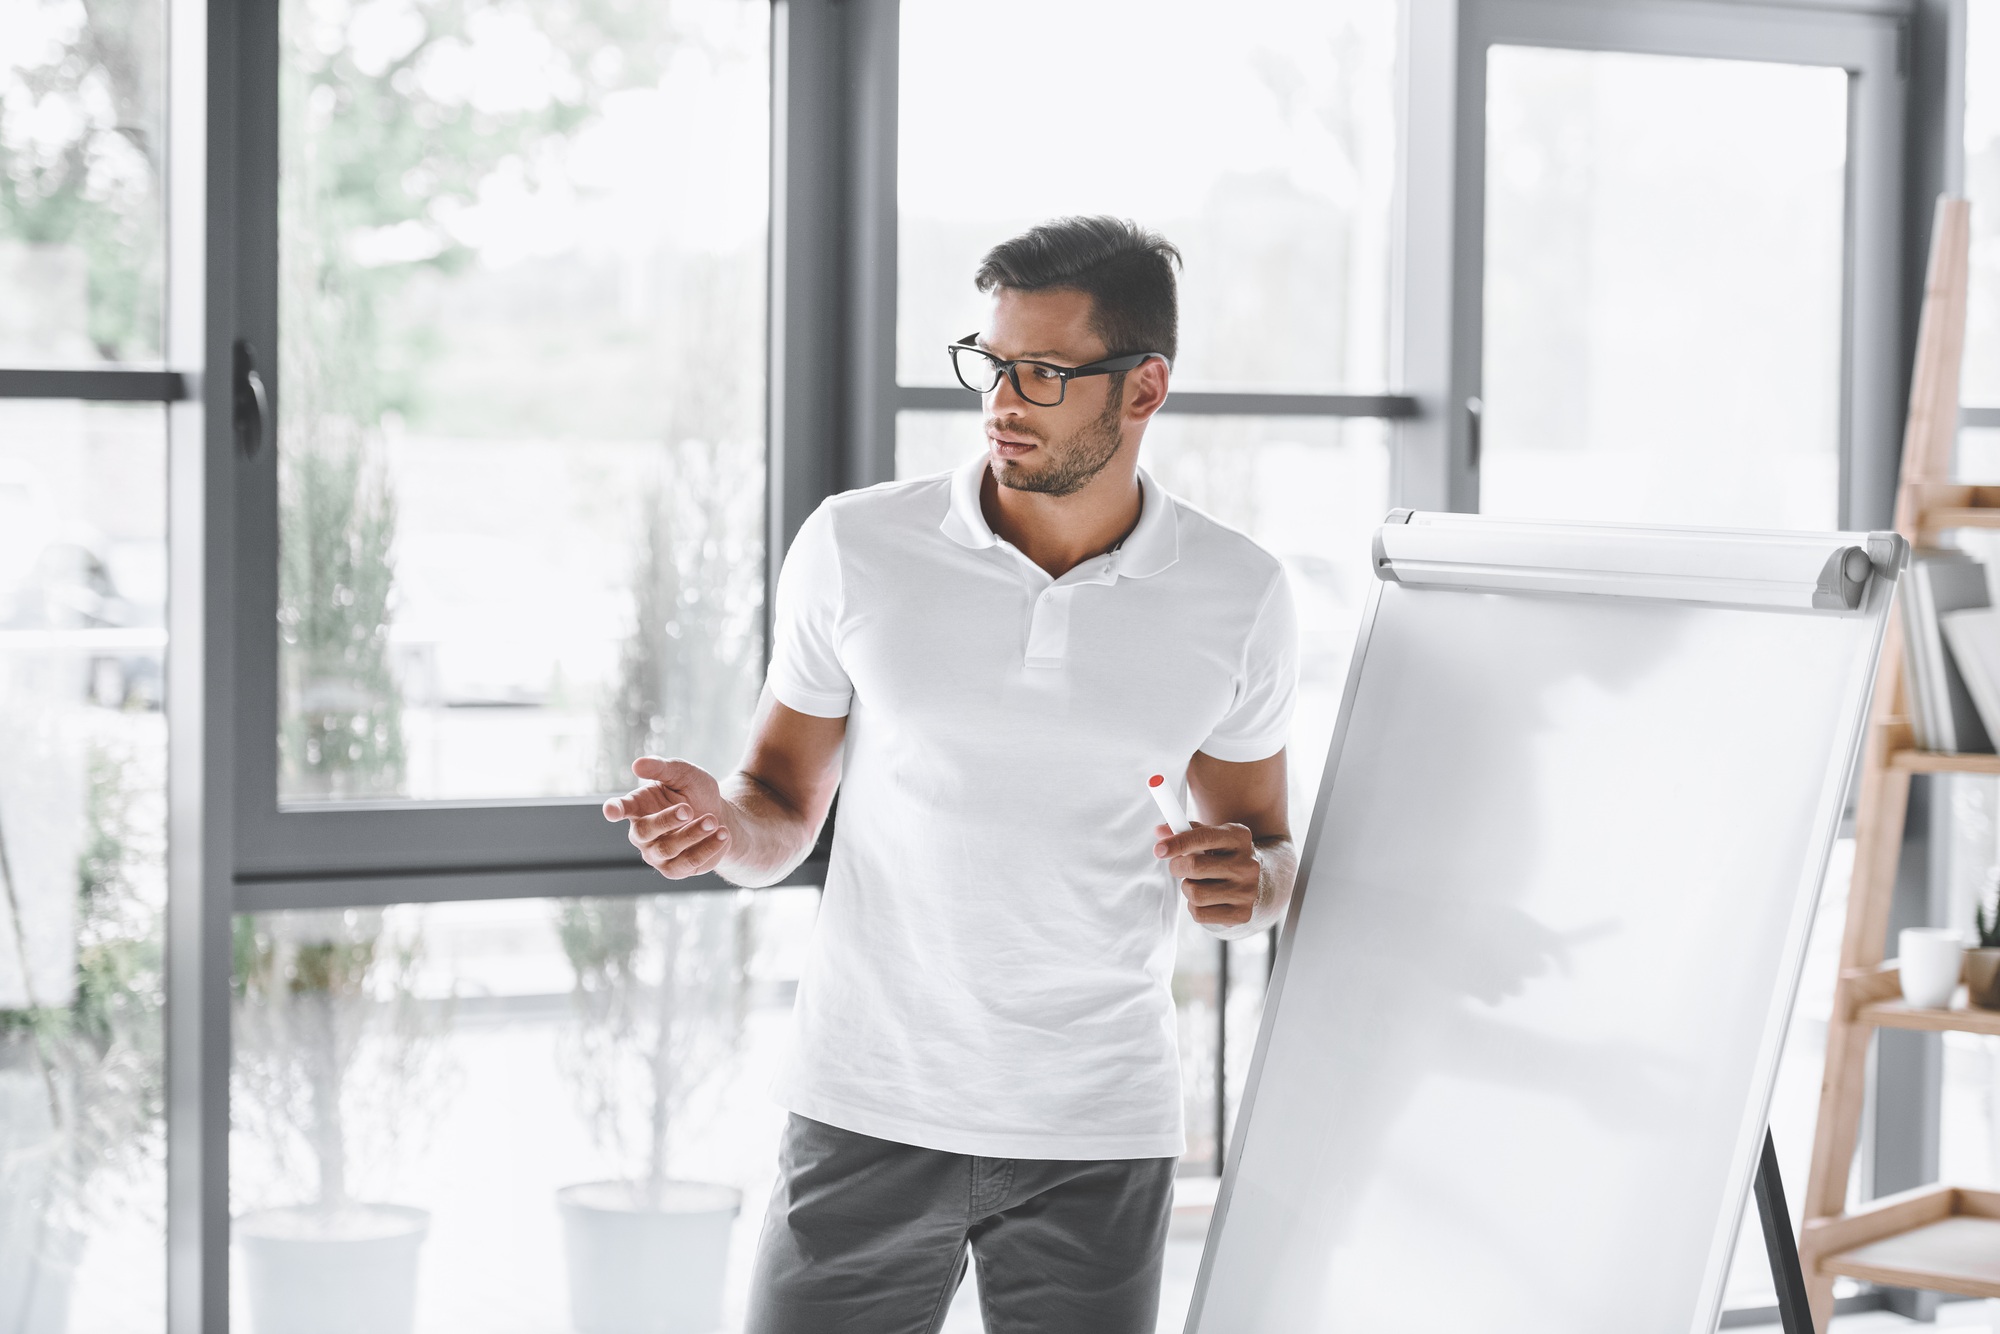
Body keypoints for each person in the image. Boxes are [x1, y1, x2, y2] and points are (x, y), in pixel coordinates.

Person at [603, 215, 1299, 1334]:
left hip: (1095, 1123)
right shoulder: (855, 544)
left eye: (1041, 372)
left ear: (1143, 388)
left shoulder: (1239, 592)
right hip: (865, 1098)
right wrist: (722, 832)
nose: (1000, 401)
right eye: (987, 363)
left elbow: (1263, 845)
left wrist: (1246, 882)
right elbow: (779, 800)